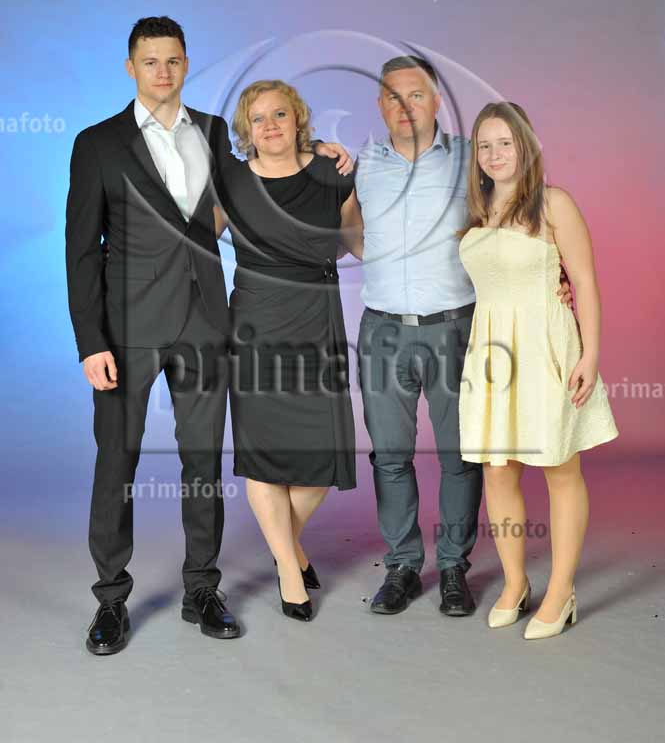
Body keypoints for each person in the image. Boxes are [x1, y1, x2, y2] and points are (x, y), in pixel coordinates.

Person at [65, 17, 351, 653]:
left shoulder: (218, 133)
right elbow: (81, 250)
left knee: (202, 463)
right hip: (127, 330)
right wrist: (91, 341)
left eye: (173, 60)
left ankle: (201, 587)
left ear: (186, 64)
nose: (162, 72)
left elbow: (268, 169)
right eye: (149, 61)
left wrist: (321, 152)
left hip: (205, 324)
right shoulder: (97, 144)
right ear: (131, 68)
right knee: (117, 460)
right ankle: (110, 598)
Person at [353, 56, 573, 618]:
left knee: (462, 455)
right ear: (380, 105)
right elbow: (348, 227)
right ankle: (403, 566)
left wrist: (556, 277)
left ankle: (453, 565)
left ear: (436, 102)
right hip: (383, 330)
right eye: (393, 97)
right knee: (390, 456)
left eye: (417, 95)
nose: (405, 107)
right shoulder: (361, 164)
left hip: (456, 328)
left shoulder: (471, 159)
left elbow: (524, 208)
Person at [458, 101, 618, 640]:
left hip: (546, 346)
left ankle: (561, 590)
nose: (495, 154)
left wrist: (590, 356)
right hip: (490, 353)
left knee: (559, 467)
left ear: (525, 147)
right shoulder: (477, 211)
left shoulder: (554, 204)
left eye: (505, 143)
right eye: (485, 146)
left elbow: (585, 282)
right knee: (497, 470)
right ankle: (514, 582)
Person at [217, 79, 361, 622]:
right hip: (255, 325)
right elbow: (194, 239)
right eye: (258, 119)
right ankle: (288, 568)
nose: (270, 125)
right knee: (263, 454)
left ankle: (286, 547)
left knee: (322, 457)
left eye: (280, 114)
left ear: (298, 118)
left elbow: (356, 243)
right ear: (246, 130)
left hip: (316, 320)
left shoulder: (331, 173)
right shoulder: (231, 180)